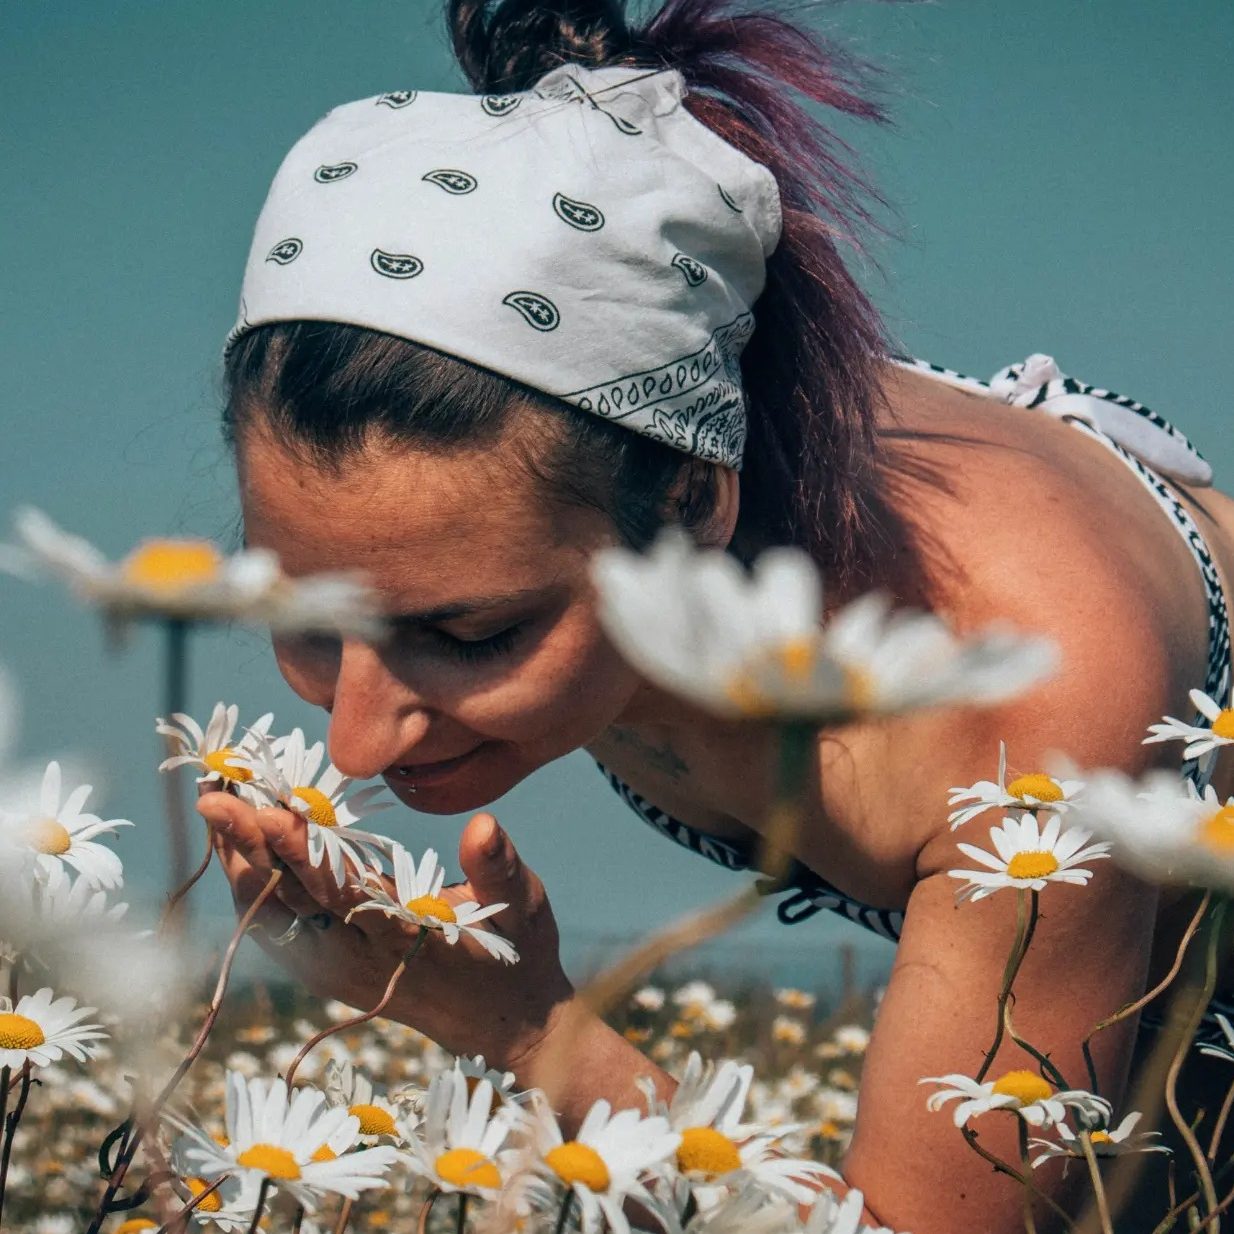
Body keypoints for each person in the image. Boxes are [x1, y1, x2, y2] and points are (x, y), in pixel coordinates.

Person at [197, 0, 1234, 1229]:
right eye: (304, 615)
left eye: (470, 636)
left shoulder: (1013, 697)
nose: (355, 742)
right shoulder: (603, 450)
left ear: (694, 505)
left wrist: (529, 1029)